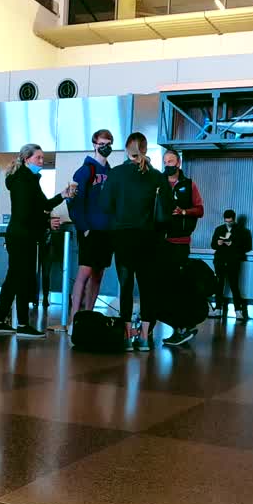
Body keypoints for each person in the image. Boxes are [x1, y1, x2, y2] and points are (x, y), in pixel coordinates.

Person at [0, 144, 71, 339]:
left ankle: (0, 321)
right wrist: (46, 221)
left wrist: (62, 195)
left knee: (12, 278)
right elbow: (27, 212)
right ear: (27, 159)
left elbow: (42, 204)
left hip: (19, 234)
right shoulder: (24, 180)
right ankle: (23, 324)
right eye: (38, 158)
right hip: (22, 236)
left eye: (42, 158)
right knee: (23, 279)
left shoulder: (27, 179)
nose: (41, 162)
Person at [101, 132, 172, 352]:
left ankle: (126, 334)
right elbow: (167, 210)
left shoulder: (116, 174)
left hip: (123, 237)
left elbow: (105, 205)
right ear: (146, 148)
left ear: (126, 149)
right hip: (149, 238)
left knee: (126, 286)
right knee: (147, 287)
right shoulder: (157, 176)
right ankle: (143, 337)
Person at [67, 129, 114, 328]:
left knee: (98, 274)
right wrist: (83, 227)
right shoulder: (85, 171)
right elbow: (73, 201)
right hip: (89, 230)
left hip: (106, 231)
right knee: (84, 273)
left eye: (109, 143)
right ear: (94, 144)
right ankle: (74, 318)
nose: (105, 147)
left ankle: (88, 315)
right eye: (102, 143)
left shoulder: (111, 172)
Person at [159, 148, 205, 347]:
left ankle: (183, 326)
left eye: (171, 161)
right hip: (161, 241)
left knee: (178, 285)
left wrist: (184, 212)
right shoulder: (158, 183)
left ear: (178, 163)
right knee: (162, 286)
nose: (168, 164)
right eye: (165, 161)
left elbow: (200, 210)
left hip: (181, 243)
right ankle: (171, 327)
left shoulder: (189, 184)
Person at [211, 210, 251, 321]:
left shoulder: (242, 231)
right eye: (226, 221)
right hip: (219, 260)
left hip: (233, 261)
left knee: (234, 286)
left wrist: (233, 244)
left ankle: (238, 311)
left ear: (234, 219)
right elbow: (213, 245)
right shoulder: (219, 229)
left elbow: (247, 247)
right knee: (219, 285)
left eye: (230, 221)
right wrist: (218, 243)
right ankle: (218, 308)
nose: (228, 223)